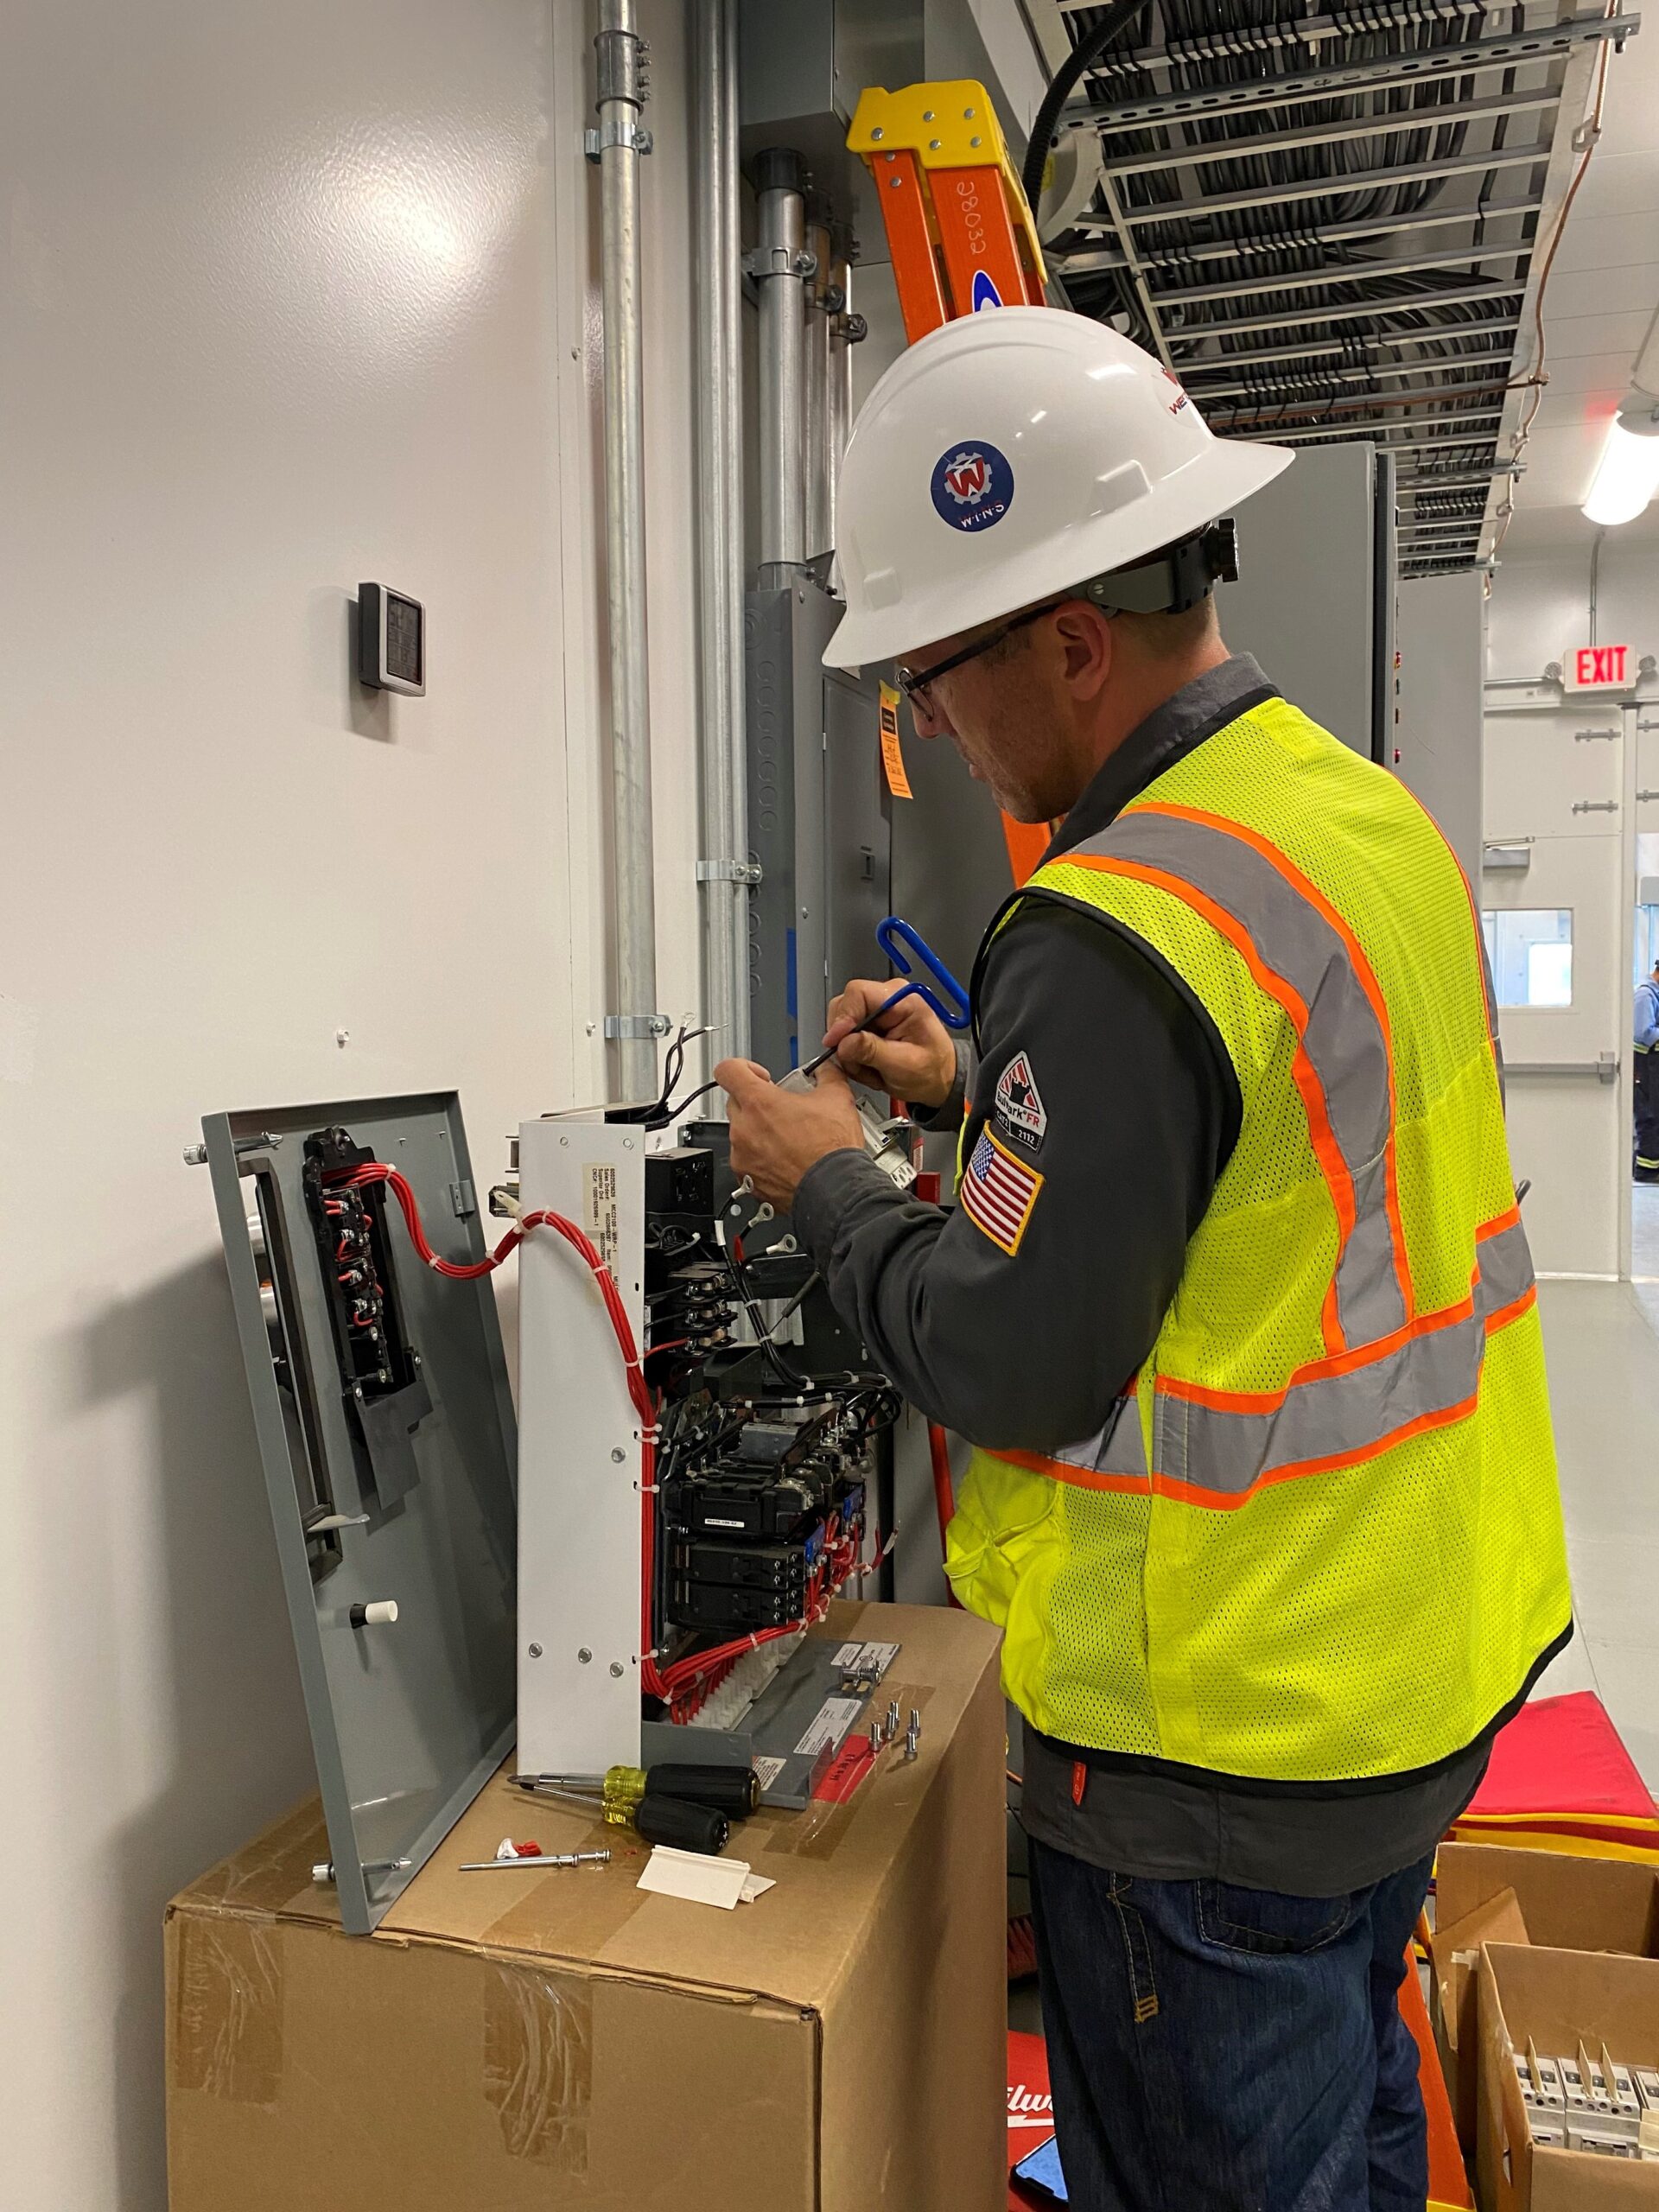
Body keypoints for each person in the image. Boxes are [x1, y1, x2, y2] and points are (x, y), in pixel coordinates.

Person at [715, 309, 1572, 2212]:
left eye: (936, 677)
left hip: (1225, 1738)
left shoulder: (1113, 922)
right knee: (1349, 2127)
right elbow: (1265, 1165)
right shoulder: (1346, 812)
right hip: (1409, 1659)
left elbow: (1014, 1354)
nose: (935, 727)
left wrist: (826, 1180)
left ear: (1072, 641)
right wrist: (981, 1097)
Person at [1636, 956, 1659, 1183]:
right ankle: (1646, 1170)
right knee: (1649, 1116)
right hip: (1643, 1065)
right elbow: (1645, 1033)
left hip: (1651, 1066)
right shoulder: (1645, 995)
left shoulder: (1654, 995)